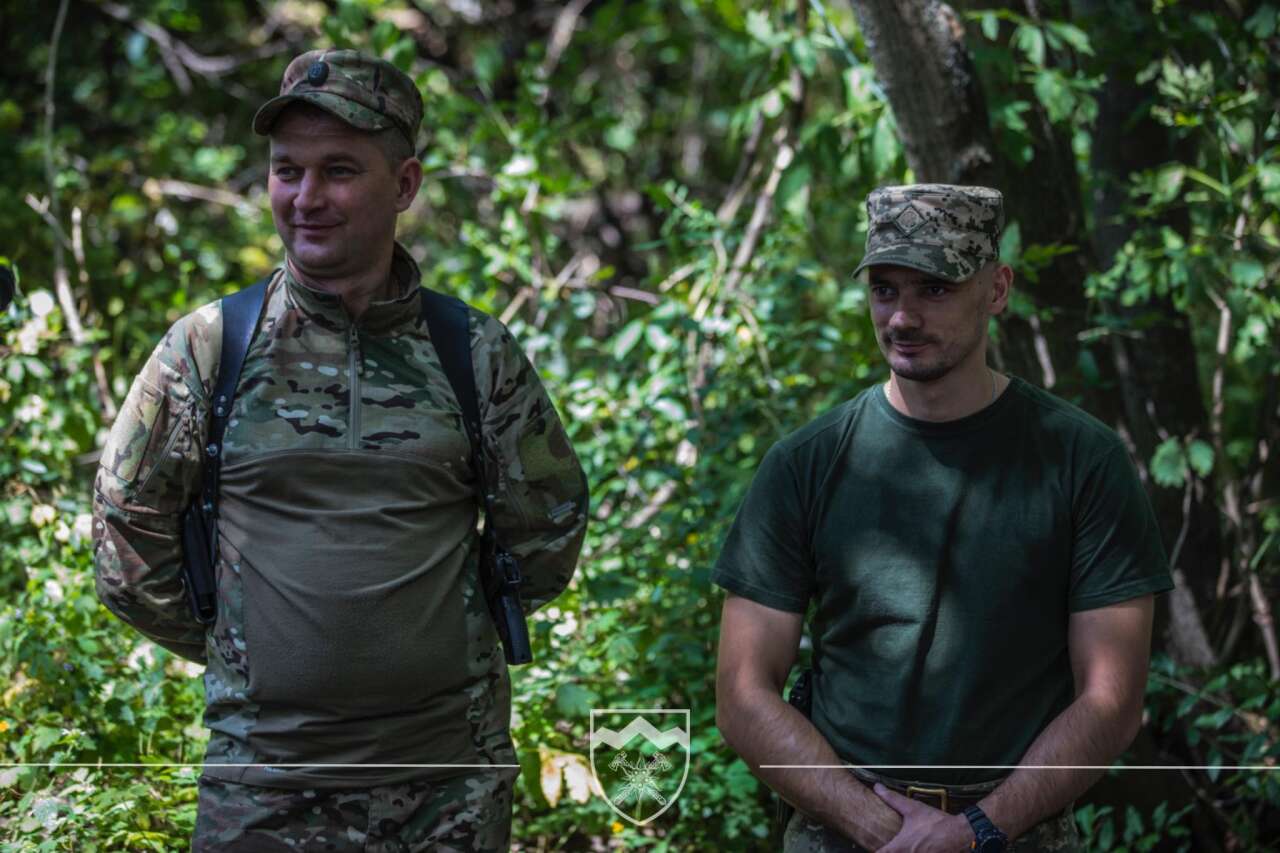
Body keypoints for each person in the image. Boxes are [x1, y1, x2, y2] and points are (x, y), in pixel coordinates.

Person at [93, 49, 589, 852]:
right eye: (287, 171)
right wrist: (244, 648)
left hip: (447, 784)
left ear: (405, 185)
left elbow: (546, 533)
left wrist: (433, 641)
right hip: (264, 781)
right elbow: (126, 536)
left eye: (339, 171)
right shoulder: (210, 348)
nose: (306, 198)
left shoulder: (474, 353)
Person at [713, 184, 1172, 853]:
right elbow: (743, 693)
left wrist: (978, 828)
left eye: (933, 289)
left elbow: (1112, 699)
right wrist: (879, 827)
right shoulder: (806, 465)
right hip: (842, 830)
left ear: (996, 288)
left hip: (1019, 831)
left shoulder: (1081, 461)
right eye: (883, 289)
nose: (901, 317)